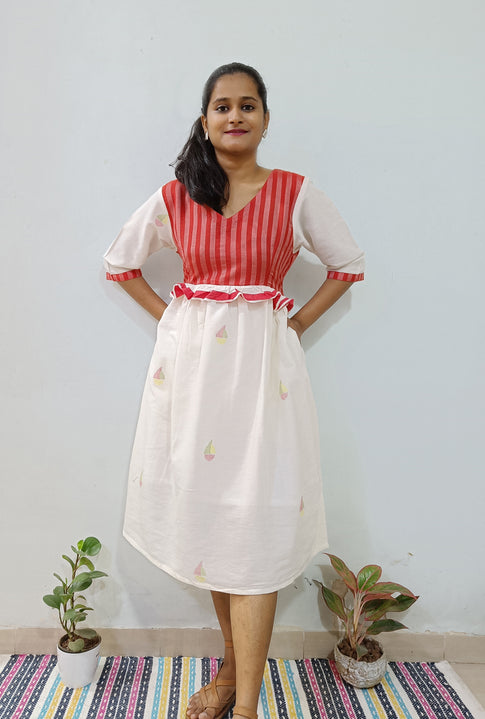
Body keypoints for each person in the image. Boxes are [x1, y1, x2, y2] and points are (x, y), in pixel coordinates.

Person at [103, 62, 364, 719]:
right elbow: (119, 263)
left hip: (263, 383)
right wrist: (174, 321)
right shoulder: (176, 196)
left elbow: (346, 264)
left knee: (253, 531)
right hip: (193, 383)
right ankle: (229, 672)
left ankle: (245, 705)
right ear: (205, 121)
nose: (235, 116)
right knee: (213, 525)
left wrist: (294, 324)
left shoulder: (295, 193)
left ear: (266, 119)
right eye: (222, 106)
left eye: (248, 105)